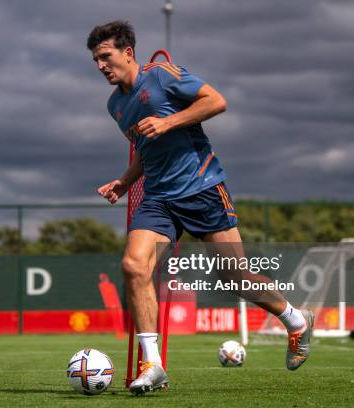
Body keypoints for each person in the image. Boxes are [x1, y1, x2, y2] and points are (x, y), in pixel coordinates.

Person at [87, 21, 314, 395]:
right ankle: (153, 364)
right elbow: (147, 149)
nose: (100, 66)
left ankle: (295, 320)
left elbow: (216, 101)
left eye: (105, 57)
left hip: (202, 189)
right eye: (95, 60)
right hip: (158, 198)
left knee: (235, 279)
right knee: (133, 265)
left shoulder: (161, 74)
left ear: (128, 53)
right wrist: (125, 182)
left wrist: (168, 121)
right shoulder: (115, 106)